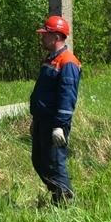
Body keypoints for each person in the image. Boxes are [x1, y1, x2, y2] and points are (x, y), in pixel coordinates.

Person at [29, 14, 81, 204]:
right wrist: (35, 119)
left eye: (46, 34)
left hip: (54, 124)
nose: (42, 37)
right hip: (42, 121)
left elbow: (67, 98)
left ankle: (66, 201)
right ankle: (58, 196)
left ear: (57, 37)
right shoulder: (50, 60)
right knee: (39, 161)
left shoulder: (68, 62)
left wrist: (60, 126)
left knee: (55, 164)